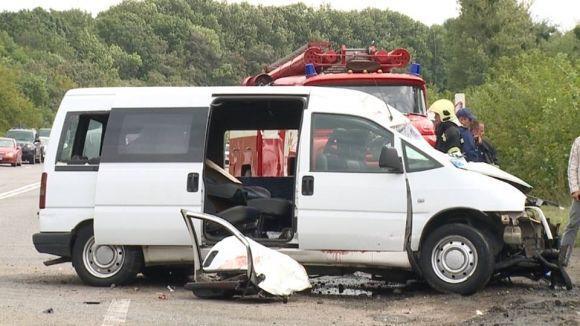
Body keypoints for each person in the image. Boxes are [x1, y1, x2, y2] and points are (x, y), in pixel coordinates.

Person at [559, 136, 580, 267]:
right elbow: (572, 167)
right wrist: (574, 189)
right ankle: (561, 260)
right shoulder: (578, 142)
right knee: (572, 226)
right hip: (579, 195)